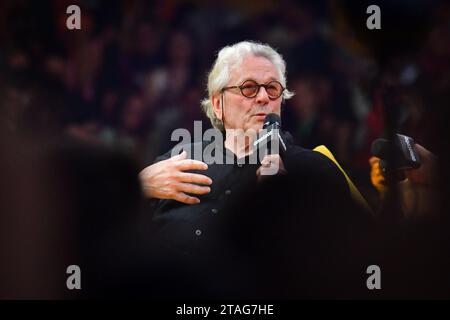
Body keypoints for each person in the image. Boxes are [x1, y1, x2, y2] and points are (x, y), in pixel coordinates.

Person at [135, 41, 374, 298]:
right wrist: (139, 186)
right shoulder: (176, 161)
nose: (263, 97)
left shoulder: (313, 171)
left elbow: (355, 264)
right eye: (249, 88)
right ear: (218, 105)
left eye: (272, 88)